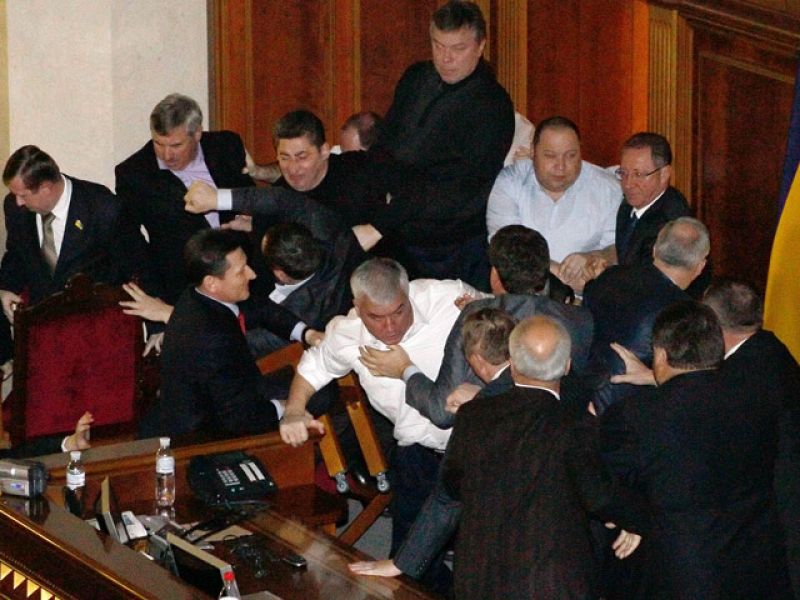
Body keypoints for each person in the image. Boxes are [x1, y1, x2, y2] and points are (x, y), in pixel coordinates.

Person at [279, 257, 476, 590]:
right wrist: (295, 409)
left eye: (399, 312)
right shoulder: (348, 333)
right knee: (408, 565)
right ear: (357, 307)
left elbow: (513, 323)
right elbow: (312, 368)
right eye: (376, 317)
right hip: (420, 454)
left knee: (488, 558)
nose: (390, 327)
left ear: (408, 294)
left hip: (479, 447)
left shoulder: (447, 298)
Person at [601, 300, 795, 599]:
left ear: (661, 354)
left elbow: (612, 490)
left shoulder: (633, 416)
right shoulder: (759, 399)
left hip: (684, 577)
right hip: (760, 569)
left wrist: (633, 521)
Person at [440, 315, 644, 599]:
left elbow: (452, 484)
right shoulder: (575, 424)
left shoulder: (473, 415)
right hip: (548, 583)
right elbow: (600, 497)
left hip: (479, 578)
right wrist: (637, 519)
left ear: (512, 362)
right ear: (567, 365)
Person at [358, 225, 594, 428]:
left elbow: (442, 411)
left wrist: (405, 370)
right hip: (565, 444)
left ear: (495, 275)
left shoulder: (475, 318)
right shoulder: (582, 320)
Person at [368, 0, 514, 288]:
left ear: (480, 46)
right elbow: (385, 144)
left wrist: (382, 222)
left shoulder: (492, 106)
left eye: (458, 49)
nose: (446, 59)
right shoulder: (416, 78)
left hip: (452, 246)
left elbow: (455, 187)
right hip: (398, 230)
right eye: (438, 46)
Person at [143, 230, 308, 439]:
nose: (252, 274)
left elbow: (259, 308)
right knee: (318, 397)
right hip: (205, 434)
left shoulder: (198, 295)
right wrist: (285, 409)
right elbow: (238, 416)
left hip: (235, 392)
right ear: (212, 282)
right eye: (241, 272)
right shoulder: (211, 338)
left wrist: (306, 333)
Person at [0, 145, 147, 363]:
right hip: (43, 332)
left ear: (46, 188)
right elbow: (16, 255)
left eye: (23, 195)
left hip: (95, 333)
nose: (18, 201)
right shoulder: (15, 208)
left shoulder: (103, 208)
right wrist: (5, 289)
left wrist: (155, 326)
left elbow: (139, 265)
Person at [115, 93, 255, 309]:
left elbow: (251, 198)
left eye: (176, 145)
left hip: (243, 277)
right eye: (158, 144)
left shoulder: (226, 146)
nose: (166, 155)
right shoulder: (134, 174)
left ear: (197, 133)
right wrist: (154, 300)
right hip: (184, 289)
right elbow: (130, 244)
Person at [582, 217, 709, 414]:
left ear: (655, 249)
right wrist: (653, 376)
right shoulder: (687, 316)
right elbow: (696, 387)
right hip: (634, 416)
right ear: (701, 266)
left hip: (578, 399)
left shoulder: (609, 276)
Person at [486, 116, 622, 289]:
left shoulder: (608, 189)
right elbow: (506, 247)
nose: (561, 166)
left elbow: (619, 247)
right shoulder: (510, 181)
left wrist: (594, 257)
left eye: (571, 156)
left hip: (586, 299)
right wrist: (562, 278)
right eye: (550, 156)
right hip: (523, 292)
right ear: (533, 152)